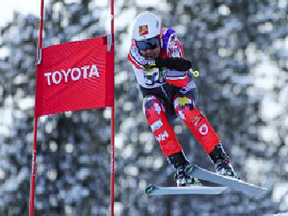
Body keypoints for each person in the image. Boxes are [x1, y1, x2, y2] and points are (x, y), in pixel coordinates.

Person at [128, 12, 238, 187]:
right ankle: (180, 167)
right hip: (158, 99)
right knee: (149, 107)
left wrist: (161, 70)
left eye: (152, 43)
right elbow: (142, 62)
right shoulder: (135, 53)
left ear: (159, 37)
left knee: (183, 108)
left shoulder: (170, 41)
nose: (148, 50)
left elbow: (182, 77)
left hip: (181, 91)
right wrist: (161, 66)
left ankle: (221, 161)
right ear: (136, 43)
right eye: (143, 45)